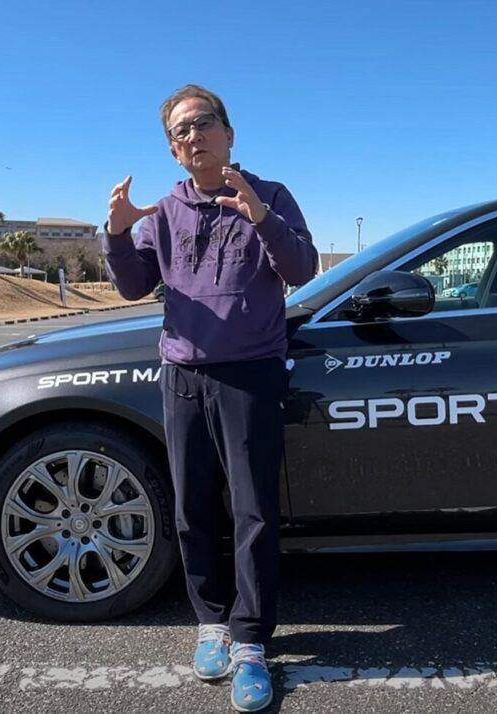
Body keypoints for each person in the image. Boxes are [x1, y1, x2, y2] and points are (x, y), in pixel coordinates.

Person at [102, 84, 317, 712]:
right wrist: (118, 233)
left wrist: (261, 217)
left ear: (228, 132)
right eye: (180, 131)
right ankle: (212, 624)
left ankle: (251, 642)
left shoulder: (269, 194)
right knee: (192, 508)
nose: (193, 136)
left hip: (250, 375)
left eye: (202, 123)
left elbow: (302, 269)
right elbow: (133, 285)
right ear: (173, 151)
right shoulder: (165, 211)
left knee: (254, 512)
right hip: (183, 378)